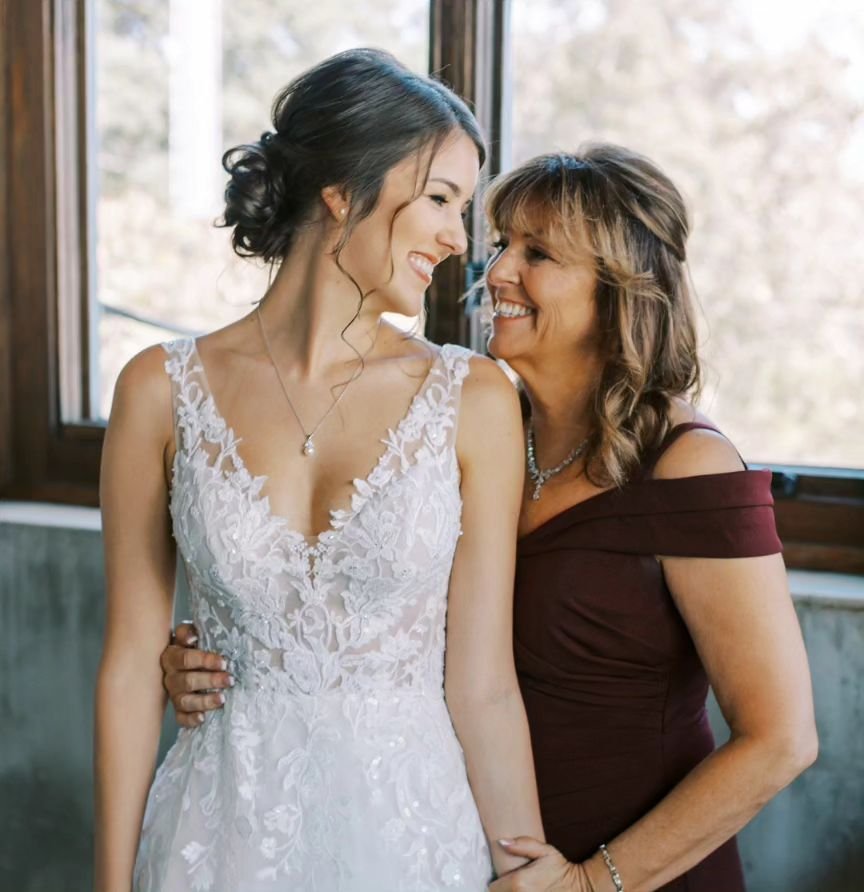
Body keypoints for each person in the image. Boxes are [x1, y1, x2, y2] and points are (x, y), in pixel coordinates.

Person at [161, 144, 818, 891]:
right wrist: (220, 660)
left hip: (627, 874)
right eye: (502, 243)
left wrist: (589, 883)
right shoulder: (474, 427)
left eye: (536, 253)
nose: (495, 270)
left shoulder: (685, 465)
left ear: (620, 288)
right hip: (452, 852)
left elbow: (781, 740)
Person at [94, 48, 544, 892]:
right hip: (213, 837)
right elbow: (128, 667)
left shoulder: (472, 398)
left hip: (410, 844)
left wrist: (527, 870)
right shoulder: (159, 389)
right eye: (440, 199)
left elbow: (483, 686)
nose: (458, 239)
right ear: (342, 192)